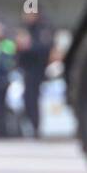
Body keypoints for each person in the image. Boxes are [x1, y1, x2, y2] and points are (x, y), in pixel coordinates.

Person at [16, 10, 53, 138]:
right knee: (27, 99)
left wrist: (29, 46)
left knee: (33, 99)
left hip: (37, 70)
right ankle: (31, 126)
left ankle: (36, 127)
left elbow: (44, 48)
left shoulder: (42, 30)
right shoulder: (25, 30)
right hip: (26, 70)